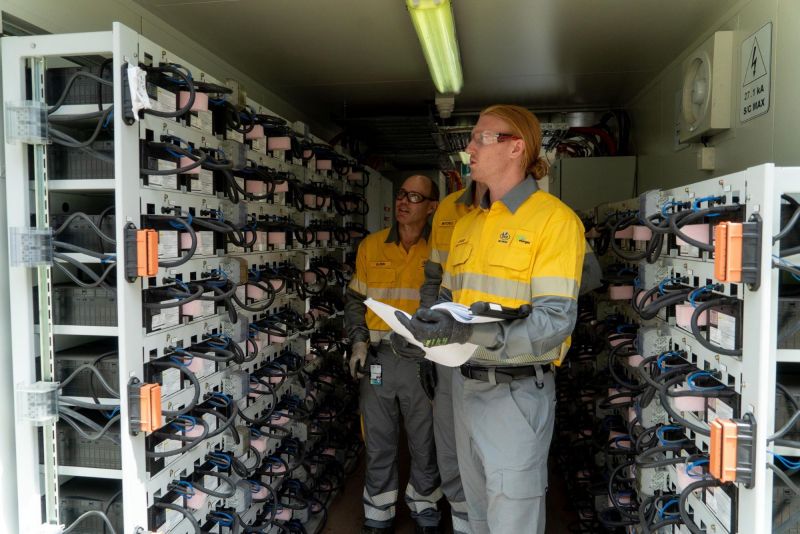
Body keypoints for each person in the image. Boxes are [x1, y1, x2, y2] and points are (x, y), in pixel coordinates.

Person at [398, 105, 586, 534]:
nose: (469, 148)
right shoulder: (468, 225)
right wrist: (420, 333)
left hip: (515, 394)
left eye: (481, 138)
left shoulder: (554, 222)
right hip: (465, 389)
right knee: (475, 515)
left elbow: (555, 322)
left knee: (512, 521)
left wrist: (467, 333)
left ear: (516, 147)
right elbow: (446, 301)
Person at [344, 174, 443, 534]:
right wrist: (358, 342)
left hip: (421, 364)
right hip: (379, 363)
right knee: (379, 437)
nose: (404, 201)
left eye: (415, 197)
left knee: (425, 440)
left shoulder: (439, 251)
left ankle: (426, 507)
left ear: (432, 207)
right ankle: (378, 512)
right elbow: (355, 301)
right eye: (402, 193)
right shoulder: (371, 246)